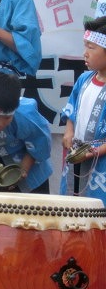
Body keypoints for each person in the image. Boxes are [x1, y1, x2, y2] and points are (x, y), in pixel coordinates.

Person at [0, 72, 52, 206]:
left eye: (7, 118)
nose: (0, 124)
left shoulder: (25, 114)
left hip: (24, 160)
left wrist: (22, 171)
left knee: (32, 214)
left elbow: (39, 142)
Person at [60, 16, 106, 203]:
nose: (85, 53)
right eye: (85, 46)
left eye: (91, 47)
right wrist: (69, 131)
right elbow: (71, 110)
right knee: (71, 206)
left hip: (99, 158)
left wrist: (93, 152)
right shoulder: (84, 79)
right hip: (77, 152)